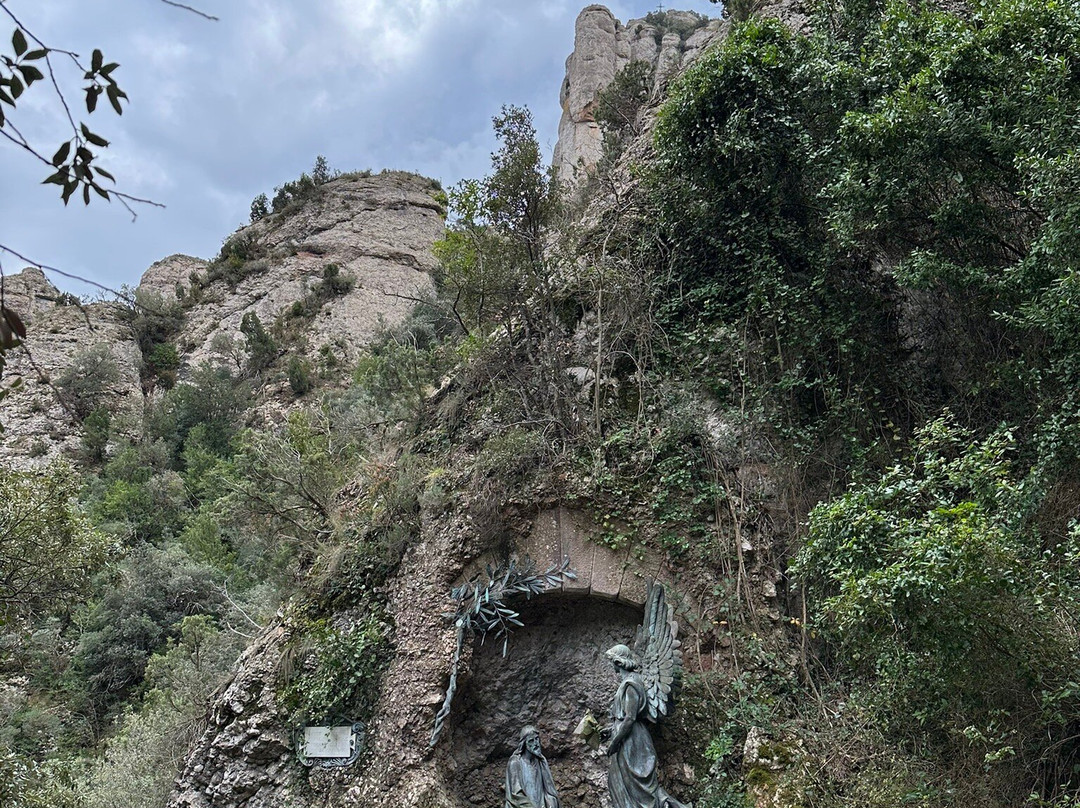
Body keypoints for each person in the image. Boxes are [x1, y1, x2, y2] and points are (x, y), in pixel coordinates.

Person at [604, 644, 690, 808]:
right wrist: (610, 732)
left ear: (618, 661)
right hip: (626, 740)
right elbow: (624, 719)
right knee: (621, 784)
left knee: (642, 790)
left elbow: (630, 718)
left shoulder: (631, 684)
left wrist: (615, 741)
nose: (611, 665)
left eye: (611, 661)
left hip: (633, 743)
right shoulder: (629, 682)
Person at [505, 725, 561, 808]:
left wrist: (551, 803)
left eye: (537, 739)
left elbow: (549, 790)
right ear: (524, 743)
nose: (535, 744)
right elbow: (515, 794)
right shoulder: (515, 762)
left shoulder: (541, 761)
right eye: (531, 741)